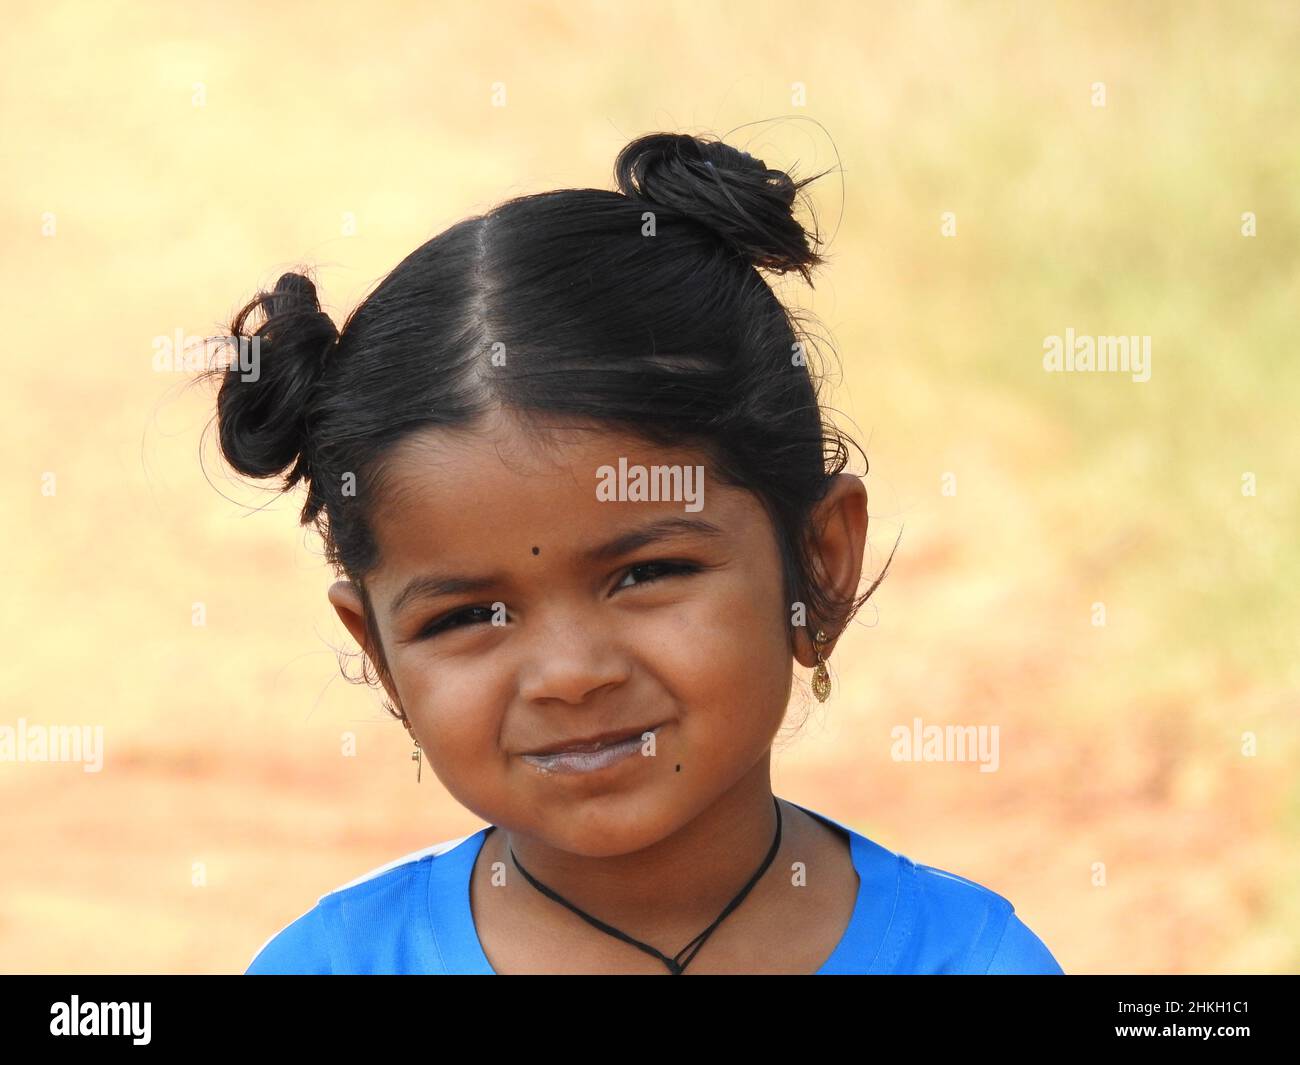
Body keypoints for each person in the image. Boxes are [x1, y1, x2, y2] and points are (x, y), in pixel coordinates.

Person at [208, 130, 1064, 975]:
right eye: (468, 615)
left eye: (647, 574)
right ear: (382, 656)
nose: (571, 673)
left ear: (819, 565)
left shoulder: (972, 962)